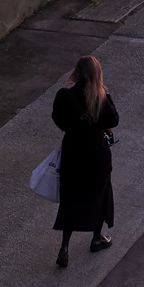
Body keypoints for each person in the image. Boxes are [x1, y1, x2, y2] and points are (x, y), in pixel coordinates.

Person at [50, 55, 119, 267]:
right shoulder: (101, 98)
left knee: (70, 199)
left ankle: (65, 247)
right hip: (97, 154)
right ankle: (97, 237)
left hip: (73, 152)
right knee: (101, 193)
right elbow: (114, 120)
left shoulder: (65, 97)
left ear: (77, 73)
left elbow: (57, 118)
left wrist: (71, 128)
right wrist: (107, 94)